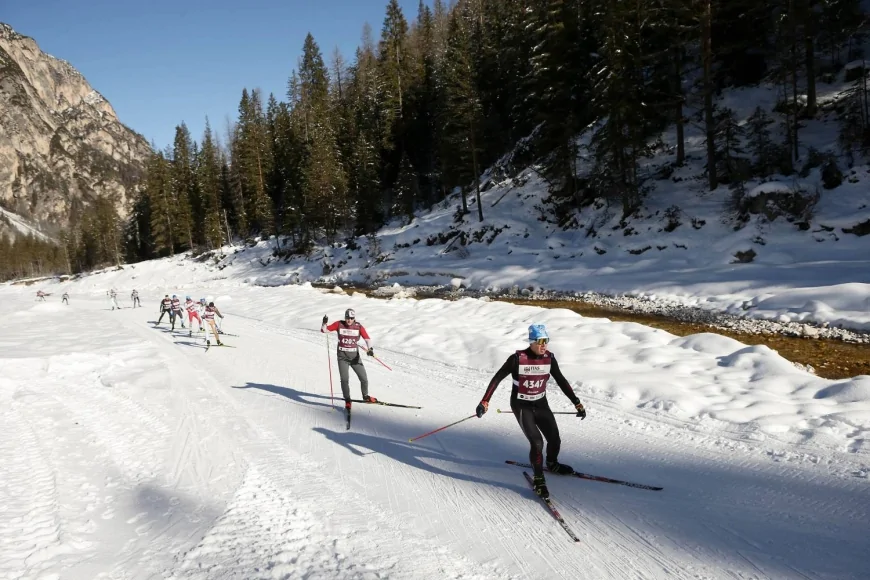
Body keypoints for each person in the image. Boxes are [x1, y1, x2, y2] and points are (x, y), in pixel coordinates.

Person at [475, 324, 586, 500]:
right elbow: (497, 378)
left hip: (541, 403)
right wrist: (485, 401)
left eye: (546, 341)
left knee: (555, 439)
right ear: (532, 342)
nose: (544, 345)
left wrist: (577, 403)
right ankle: (539, 479)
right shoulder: (518, 358)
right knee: (537, 443)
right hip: (521, 405)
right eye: (540, 342)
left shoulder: (549, 358)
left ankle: (552, 464)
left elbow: (561, 380)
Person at [321, 308, 377, 410]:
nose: (349, 320)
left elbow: (367, 339)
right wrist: (324, 323)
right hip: (342, 358)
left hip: (355, 358)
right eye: (347, 318)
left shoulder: (358, 326)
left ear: (354, 318)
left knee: (364, 378)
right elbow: (324, 330)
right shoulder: (339, 324)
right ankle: (347, 400)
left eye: (351, 318)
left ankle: (365, 396)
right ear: (345, 317)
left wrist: (370, 349)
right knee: (344, 380)